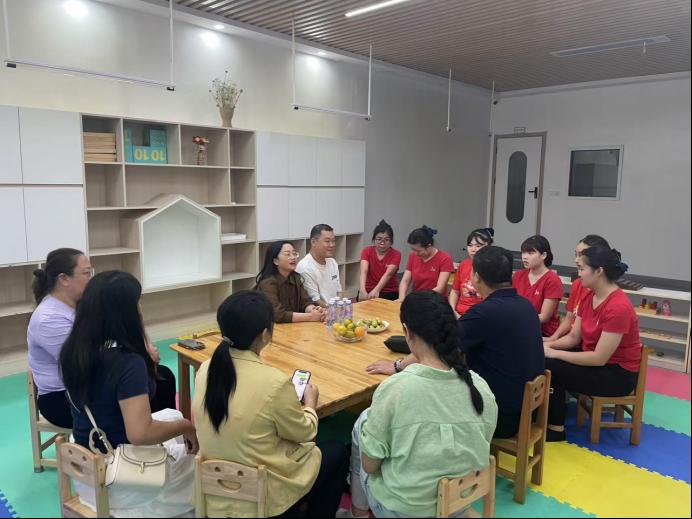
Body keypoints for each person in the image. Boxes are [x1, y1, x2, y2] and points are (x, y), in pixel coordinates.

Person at [192, 291, 349, 518]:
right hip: (263, 496)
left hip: (214, 491)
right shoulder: (274, 383)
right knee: (337, 451)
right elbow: (304, 433)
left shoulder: (206, 368)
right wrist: (310, 404)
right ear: (265, 334)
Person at [342, 291, 497, 518]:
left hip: (404, 511)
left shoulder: (395, 389)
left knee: (362, 423)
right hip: (460, 503)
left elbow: (370, 466)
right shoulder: (481, 387)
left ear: (407, 332)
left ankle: (358, 513)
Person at [59, 271, 197, 517]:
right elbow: (140, 433)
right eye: (137, 302)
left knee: (172, 414)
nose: (141, 308)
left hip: (85, 469)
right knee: (200, 459)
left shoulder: (74, 350)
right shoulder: (127, 362)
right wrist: (187, 426)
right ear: (124, 311)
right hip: (118, 479)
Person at [543, 247, 641, 442]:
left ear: (599, 271)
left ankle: (555, 429)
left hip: (616, 375)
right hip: (598, 364)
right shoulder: (589, 296)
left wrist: (553, 353)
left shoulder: (618, 307)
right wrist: (548, 346)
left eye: (581, 269)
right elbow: (574, 337)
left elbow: (599, 358)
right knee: (542, 357)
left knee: (550, 366)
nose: (578, 274)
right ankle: (542, 418)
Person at [459, 246, 545, 438]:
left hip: (499, 416)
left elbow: (440, 344)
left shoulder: (484, 312)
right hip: (526, 411)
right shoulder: (526, 305)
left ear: (476, 277)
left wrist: (399, 365)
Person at [27, 248, 92, 428]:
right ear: (64, 279)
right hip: (61, 399)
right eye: (86, 273)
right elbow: (83, 363)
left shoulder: (80, 305)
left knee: (155, 380)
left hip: (84, 387)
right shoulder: (49, 319)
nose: (91, 279)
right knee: (139, 397)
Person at [545, 234, 611, 342]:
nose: (576, 260)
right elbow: (569, 319)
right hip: (571, 339)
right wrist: (553, 339)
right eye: (576, 255)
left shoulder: (605, 293)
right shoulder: (578, 284)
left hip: (584, 344)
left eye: (581, 255)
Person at [256, 241, 326, 323]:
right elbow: (277, 314)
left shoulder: (296, 277)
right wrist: (310, 317)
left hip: (293, 326)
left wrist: (313, 310)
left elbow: (305, 302)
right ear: (276, 261)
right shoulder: (268, 282)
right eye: (287, 254)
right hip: (272, 327)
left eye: (294, 253)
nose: (293, 257)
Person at [512, 235, 564, 337]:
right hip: (519, 326)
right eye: (523, 252)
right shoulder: (518, 275)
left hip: (542, 333)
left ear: (543, 255)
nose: (525, 257)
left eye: (530, 253)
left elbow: (544, 317)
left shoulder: (552, 280)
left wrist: (516, 320)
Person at [396, 225, 454, 302]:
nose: (415, 253)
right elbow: (405, 280)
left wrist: (421, 300)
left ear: (429, 247)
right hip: (417, 298)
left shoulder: (445, 258)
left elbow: (440, 288)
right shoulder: (413, 256)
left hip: (436, 301)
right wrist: (401, 298)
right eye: (412, 249)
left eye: (418, 251)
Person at [449, 228, 494, 318]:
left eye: (478, 246)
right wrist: (453, 311)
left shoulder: (493, 267)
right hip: (458, 313)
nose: (473, 249)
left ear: (489, 246)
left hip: (480, 315)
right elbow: (454, 291)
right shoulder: (463, 264)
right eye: (470, 245)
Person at [296, 224, 343, 305]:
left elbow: (339, 291)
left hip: (335, 309)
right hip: (320, 311)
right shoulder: (305, 267)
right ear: (313, 242)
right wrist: (333, 310)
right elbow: (315, 301)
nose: (332, 245)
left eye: (333, 241)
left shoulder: (332, 262)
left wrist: (339, 307)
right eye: (327, 241)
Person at [359, 220, 401, 301]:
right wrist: (362, 290)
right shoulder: (366, 251)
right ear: (374, 240)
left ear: (391, 241)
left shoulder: (396, 254)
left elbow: (388, 274)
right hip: (368, 288)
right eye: (379, 239)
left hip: (389, 291)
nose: (382, 243)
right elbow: (363, 271)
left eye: (386, 240)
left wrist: (376, 290)